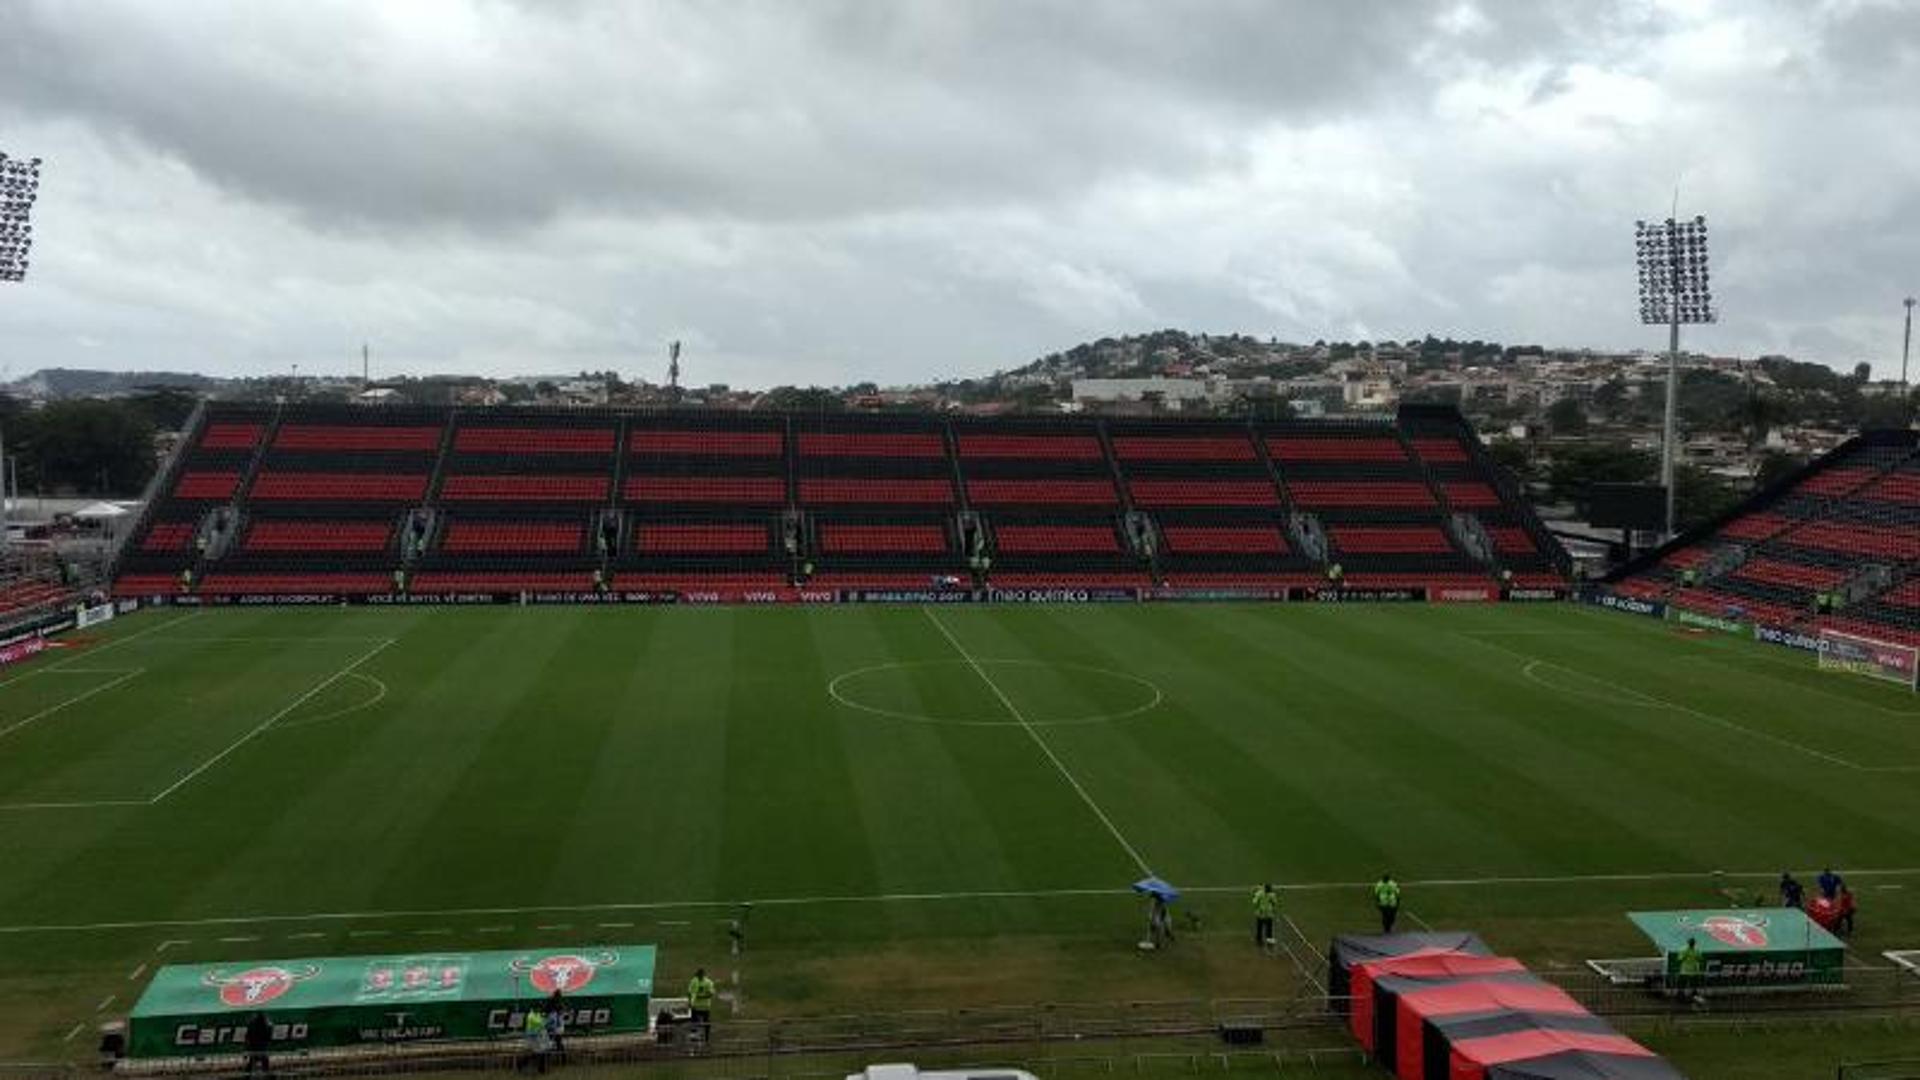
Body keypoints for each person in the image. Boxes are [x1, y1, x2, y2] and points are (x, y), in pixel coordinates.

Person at [687, 967, 717, 1041]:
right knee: (694, 1022)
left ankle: (707, 1037)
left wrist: (700, 997)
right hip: (696, 1006)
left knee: (706, 1022)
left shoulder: (708, 982)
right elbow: (689, 992)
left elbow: (711, 994)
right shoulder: (693, 981)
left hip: (704, 1006)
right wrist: (690, 1002)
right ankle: (694, 1037)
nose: (699, 976)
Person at [519, 1006, 550, 1074]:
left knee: (540, 1052)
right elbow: (539, 1022)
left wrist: (544, 1019)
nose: (539, 1010)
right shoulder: (530, 1016)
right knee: (534, 1053)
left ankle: (541, 1069)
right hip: (531, 1036)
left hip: (538, 1036)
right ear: (533, 1009)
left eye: (539, 1009)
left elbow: (542, 1022)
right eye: (538, 1009)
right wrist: (546, 1020)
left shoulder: (537, 1014)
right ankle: (521, 1063)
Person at [1675, 937, 1704, 1003]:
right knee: (1682, 985)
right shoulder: (1684, 950)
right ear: (1688, 943)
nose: (1692, 944)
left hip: (1693, 971)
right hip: (1685, 971)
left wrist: (1696, 959)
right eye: (1691, 942)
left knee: (1693, 986)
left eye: (1693, 942)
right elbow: (1679, 959)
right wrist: (1685, 956)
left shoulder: (1696, 950)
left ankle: (1693, 997)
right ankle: (1680, 997)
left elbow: (1700, 959)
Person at [243, 1012, 272, 1077]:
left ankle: (247, 1076)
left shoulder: (252, 1024)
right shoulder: (266, 1025)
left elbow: (247, 1037)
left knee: (252, 1063)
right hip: (261, 1048)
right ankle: (267, 1075)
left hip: (255, 1047)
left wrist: (246, 1049)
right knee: (264, 1065)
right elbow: (268, 1037)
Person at [1251, 884, 1279, 948]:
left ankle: (1259, 941)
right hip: (1268, 913)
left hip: (1260, 913)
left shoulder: (1259, 894)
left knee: (1260, 927)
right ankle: (1269, 941)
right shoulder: (1272, 895)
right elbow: (1275, 902)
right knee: (1269, 928)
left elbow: (1254, 902)